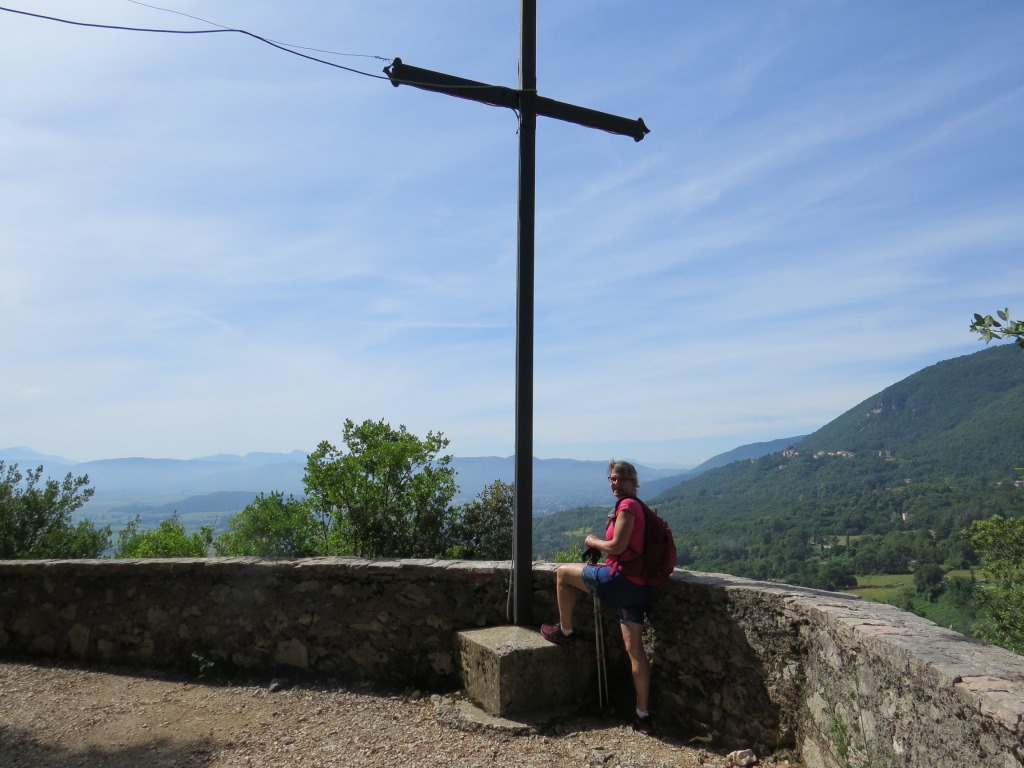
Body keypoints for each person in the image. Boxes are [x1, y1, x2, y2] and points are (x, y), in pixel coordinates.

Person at [540, 459, 654, 735]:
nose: (616, 483)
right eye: (612, 479)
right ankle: (643, 715)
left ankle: (565, 632)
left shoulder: (627, 507)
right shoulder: (640, 507)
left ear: (633, 482)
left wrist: (592, 541)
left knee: (563, 574)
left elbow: (617, 545)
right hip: (639, 586)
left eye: (621, 479)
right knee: (635, 651)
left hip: (620, 581)